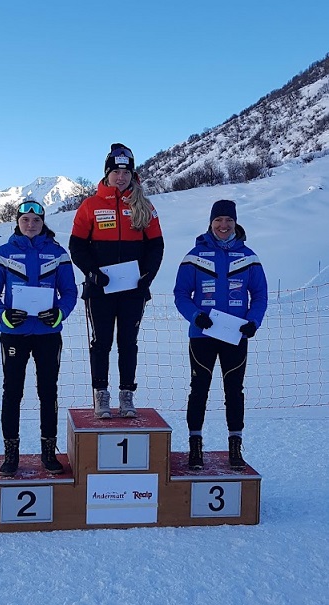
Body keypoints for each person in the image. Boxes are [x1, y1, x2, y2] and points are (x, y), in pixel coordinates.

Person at [69, 143, 164, 418]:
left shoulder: (144, 205)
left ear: (132, 175)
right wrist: (92, 273)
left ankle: (126, 395)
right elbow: (77, 246)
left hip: (133, 289)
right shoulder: (90, 205)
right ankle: (101, 394)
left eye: (126, 172)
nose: (120, 177)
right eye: (115, 172)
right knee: (101, 343)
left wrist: (148, 275)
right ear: (106, 174)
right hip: (100, 289)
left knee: (128, 343)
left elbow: (156, 246)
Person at [0, 201, 77, 475]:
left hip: (48, 334)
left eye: (36, 220)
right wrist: (2, 314)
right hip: (14, 335)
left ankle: (48, 452)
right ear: (17, 222)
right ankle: (11, 454)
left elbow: (70, 292)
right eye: (25, 219)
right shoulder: (3, 253)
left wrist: (59, 314)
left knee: (48, 392)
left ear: (43, 222)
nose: (31, 224)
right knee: (12, 392)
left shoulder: (58, 253)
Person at [174, 199, 268, 470]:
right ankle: (195, 446)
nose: (223, 225)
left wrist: (253, 321)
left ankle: (235, 447)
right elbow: (181, 294)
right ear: (210, 223)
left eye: (228, 220)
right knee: (199, 389)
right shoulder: (194, 255)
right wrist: (195, 316)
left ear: (236, 223)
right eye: (218, 220)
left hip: (235, 336)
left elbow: (260, 295)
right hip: (202, 335)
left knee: (234, 390)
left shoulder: (249, 257)